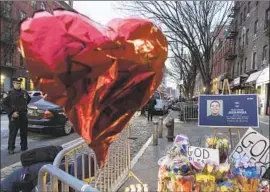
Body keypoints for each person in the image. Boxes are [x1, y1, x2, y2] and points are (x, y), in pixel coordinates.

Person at [2, 77, 31, 154]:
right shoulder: (9, 93)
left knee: (24, 132)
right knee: (13, 133)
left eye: (19, 83)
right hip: (14, 116)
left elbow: (28, 100)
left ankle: (24, 147)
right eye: (17, 83)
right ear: (13, 84)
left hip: (23, 115)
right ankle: (11, 148)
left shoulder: (24, 92)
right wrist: (12, 113)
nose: (18, 85)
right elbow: (4, 104)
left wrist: (23, 109)